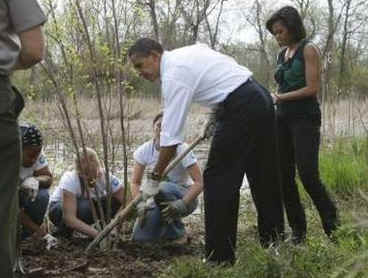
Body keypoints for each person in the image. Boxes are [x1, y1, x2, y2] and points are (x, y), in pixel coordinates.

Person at [128, 38, 284, 265]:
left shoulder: (172, 75)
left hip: (241, 106)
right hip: (259, 96)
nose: (139, 73)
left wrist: (153, 179)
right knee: (263, 176)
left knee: (217, 180)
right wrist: (217, 113)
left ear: (154, 56)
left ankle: (218, 259)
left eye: (140, 65)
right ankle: (274, 246)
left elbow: (170, 139)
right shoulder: (186, 53)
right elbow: (221, 71)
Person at [266, 6, 339, 243]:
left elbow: (312, 89)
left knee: (308, 175)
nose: (277, 36)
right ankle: (299, 232)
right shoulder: (281, 54)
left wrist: (280, 98)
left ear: (292, 27)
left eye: (280, 31)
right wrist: (274, 100)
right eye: (274, 33)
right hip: (281, 119)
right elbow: (281, 86)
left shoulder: (309, 49)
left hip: (305, 118)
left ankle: (334, 227)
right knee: (283, 176)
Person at [0, 1, 46, 277]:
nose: (33, 156)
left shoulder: (38, 157)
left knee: (33, 197)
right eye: (31, 152)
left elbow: (46, 174)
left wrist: (33, 180)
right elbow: (33, 49)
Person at [131, 112, 203, 243]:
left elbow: (200, 182)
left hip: (184, 197)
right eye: (159, 125)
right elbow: (135, 182)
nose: (162, 129)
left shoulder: (182, 148)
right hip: (154, 197)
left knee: (161, 187)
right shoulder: (144, 150)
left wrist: (182, 204)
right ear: (153, 128)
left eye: (166, 126)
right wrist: (140, 203)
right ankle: (166, 230)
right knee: (140, 239)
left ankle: (178, 232)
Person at [48, 147, 126, 239]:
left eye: (95, 172)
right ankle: (66, 231)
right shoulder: (70, 179)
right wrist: (98, 235)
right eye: (87, 174)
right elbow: (69, 218)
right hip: (61, 209)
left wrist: (114, 226)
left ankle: (97, 227)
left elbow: (126, 200)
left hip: (90, 205)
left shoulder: (105, 176)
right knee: (85, 207)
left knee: (113, 201)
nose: (92, 178)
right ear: (79, 172)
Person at [19, 124, 53, 240]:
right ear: (18, 149)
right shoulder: (6, 160)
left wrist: (35, 180)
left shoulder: (36, 153)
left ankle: (24, 235)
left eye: (37, 155)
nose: (34, 159)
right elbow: (11, 208)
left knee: (42, 195)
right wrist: (42, 233)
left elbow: (48, 177)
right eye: (30, 155)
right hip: (7, 201)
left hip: (22, 195)